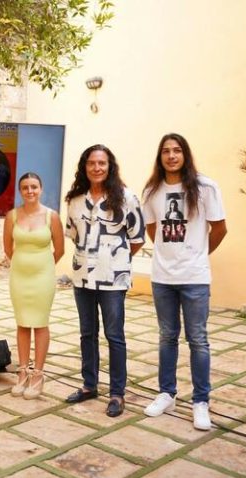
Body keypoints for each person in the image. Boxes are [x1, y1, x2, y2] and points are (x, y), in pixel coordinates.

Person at [141, 133, 227, 430]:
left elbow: (220, 228)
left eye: (177, 150)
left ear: (185, 154)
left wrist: (197, 254)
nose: (171, 156)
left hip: (194, 278)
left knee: (198, 339)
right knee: (167, 337)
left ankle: (201, 401)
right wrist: (169, 254)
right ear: (160, 156)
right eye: (166, 151)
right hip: (162, 277)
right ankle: (167, 393)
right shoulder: (152, 190)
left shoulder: (205, 187)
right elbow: (152, 229)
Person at [64, 144, 145, 417]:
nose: (97, 168)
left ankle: (117, 393)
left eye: (102, 163)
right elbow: (74, 235)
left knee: (114, 336)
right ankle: (89, 385)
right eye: (91, 163)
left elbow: (137, 239)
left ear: (110, 166)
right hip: (83, 278)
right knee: (87, 333)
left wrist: (113, 260)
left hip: (113, 281)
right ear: (84, 167)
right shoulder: (75, 200)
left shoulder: (126, 198)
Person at [3, 172, 64, 399]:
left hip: (43, 277)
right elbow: (8, 248)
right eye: (25, 187)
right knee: (22, 323)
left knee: (39, 323)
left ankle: (38, 374)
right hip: (19, 277)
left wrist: (43, 266)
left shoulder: (52, 216)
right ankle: (22, 373)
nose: (30, 191)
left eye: (34, 187)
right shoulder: (11, 216)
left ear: (41, 189)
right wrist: (23, 265)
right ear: (20, 191)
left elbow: (60, 249)